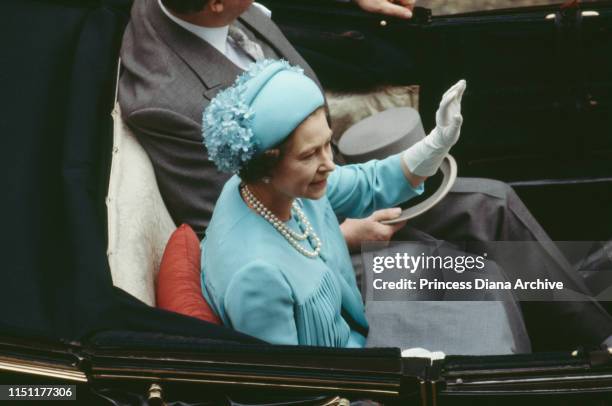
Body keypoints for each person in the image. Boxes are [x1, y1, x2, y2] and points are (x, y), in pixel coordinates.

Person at [199, 60, 612, 350]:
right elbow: (294, 386)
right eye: (310, 156)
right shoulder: (257, 276)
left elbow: (365, 181)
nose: (328, 163)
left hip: (367, 325)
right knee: (489, 319)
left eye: (328, 143)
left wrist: (435, 144)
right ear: (265, 165)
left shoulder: (272, 189)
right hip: (367, 374)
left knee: (483, 270)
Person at [119, 0, 416, 244]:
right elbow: (225, 227)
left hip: (342, 175)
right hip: (309, 256)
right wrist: (343, 237)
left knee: (460, 205)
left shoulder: (203, 11)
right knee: (445, 278)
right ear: (217, 4)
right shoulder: (167, 105)